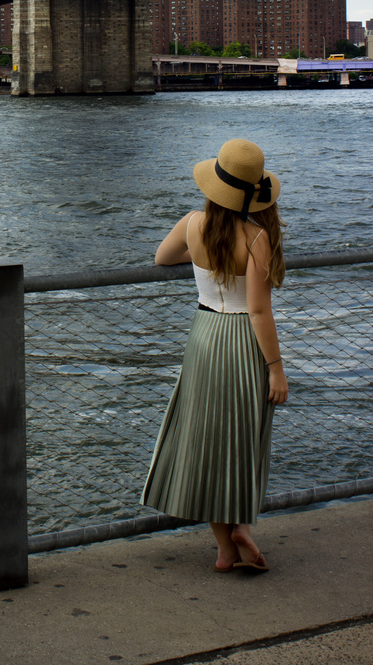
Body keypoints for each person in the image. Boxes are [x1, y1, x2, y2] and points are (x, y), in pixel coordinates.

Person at [142, 138, 288, 574]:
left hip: (204, 337)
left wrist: (203, 254)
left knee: (206, 439)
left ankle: (225, 548)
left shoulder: (192, 223)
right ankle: (240, 526)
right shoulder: (258, 237)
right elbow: (259, 310)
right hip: (244, 342)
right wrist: (276, 369)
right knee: (242, 437)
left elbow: (162, 258)